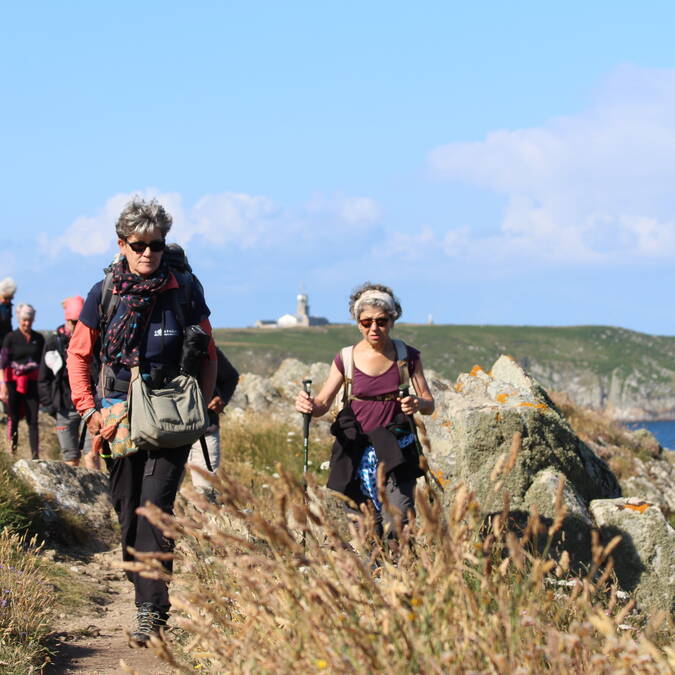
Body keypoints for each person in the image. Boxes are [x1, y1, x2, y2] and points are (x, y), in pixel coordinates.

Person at [66, 198, 217, 646]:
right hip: (116, 414)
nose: (148, 253)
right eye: (139, 245)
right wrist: (89, 411)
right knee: (128, 511)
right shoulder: (103, 292)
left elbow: (208, 351)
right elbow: (80, 354)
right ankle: (146, 589)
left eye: (156, 244)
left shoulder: (185, 289)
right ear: (122, 244)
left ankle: (150, 610)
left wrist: (202, 405)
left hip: (170, 412)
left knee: (155, 507)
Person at [295, 282, 434, 538]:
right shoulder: (345, 358)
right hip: (355, 451)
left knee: (399, 521)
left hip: (396, 451)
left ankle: (398, 572)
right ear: (357, 322)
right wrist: (308, 405)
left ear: (393, 320)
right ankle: (373, 574)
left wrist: (417, 403)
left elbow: (429, 404)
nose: (373, 329)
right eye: (366, 322)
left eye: (381, 321)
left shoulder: (407, 356)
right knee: (365, 528)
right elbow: (322, 404)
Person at [38, 296, 97, 468]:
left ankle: (102, 495)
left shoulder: (93, 339)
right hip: (64, 407)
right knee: (71, 459)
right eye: (73, 321)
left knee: (92, 455)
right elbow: (43, 378)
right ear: (66, 319)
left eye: (81, 322)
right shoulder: (53, 343)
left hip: (90, 406)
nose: (77, 326)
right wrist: (51, 405)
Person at [187, 347, 238, 494]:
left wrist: (221, 398)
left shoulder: (205, 345)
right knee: (163, 494)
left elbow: (231, 377)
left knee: (206, 491)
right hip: (167, 432)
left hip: (206, 430)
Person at [0, 303, 44, 458]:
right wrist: (3, 386)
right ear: (19, 319)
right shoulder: (11, 338)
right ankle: (12, 452)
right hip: (12, 382)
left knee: (33, 419)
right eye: (24, 320)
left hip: (32, 382)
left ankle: (35, 455)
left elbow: (42, 362)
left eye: (30, 320)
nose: (27, 323)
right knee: (13, 417)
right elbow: (3, 363)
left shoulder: (39, 339)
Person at [0, 277, 16, 345]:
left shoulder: (8, 307)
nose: (8, 301)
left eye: (10, 298)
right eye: (6, 298)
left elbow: (9, 326)